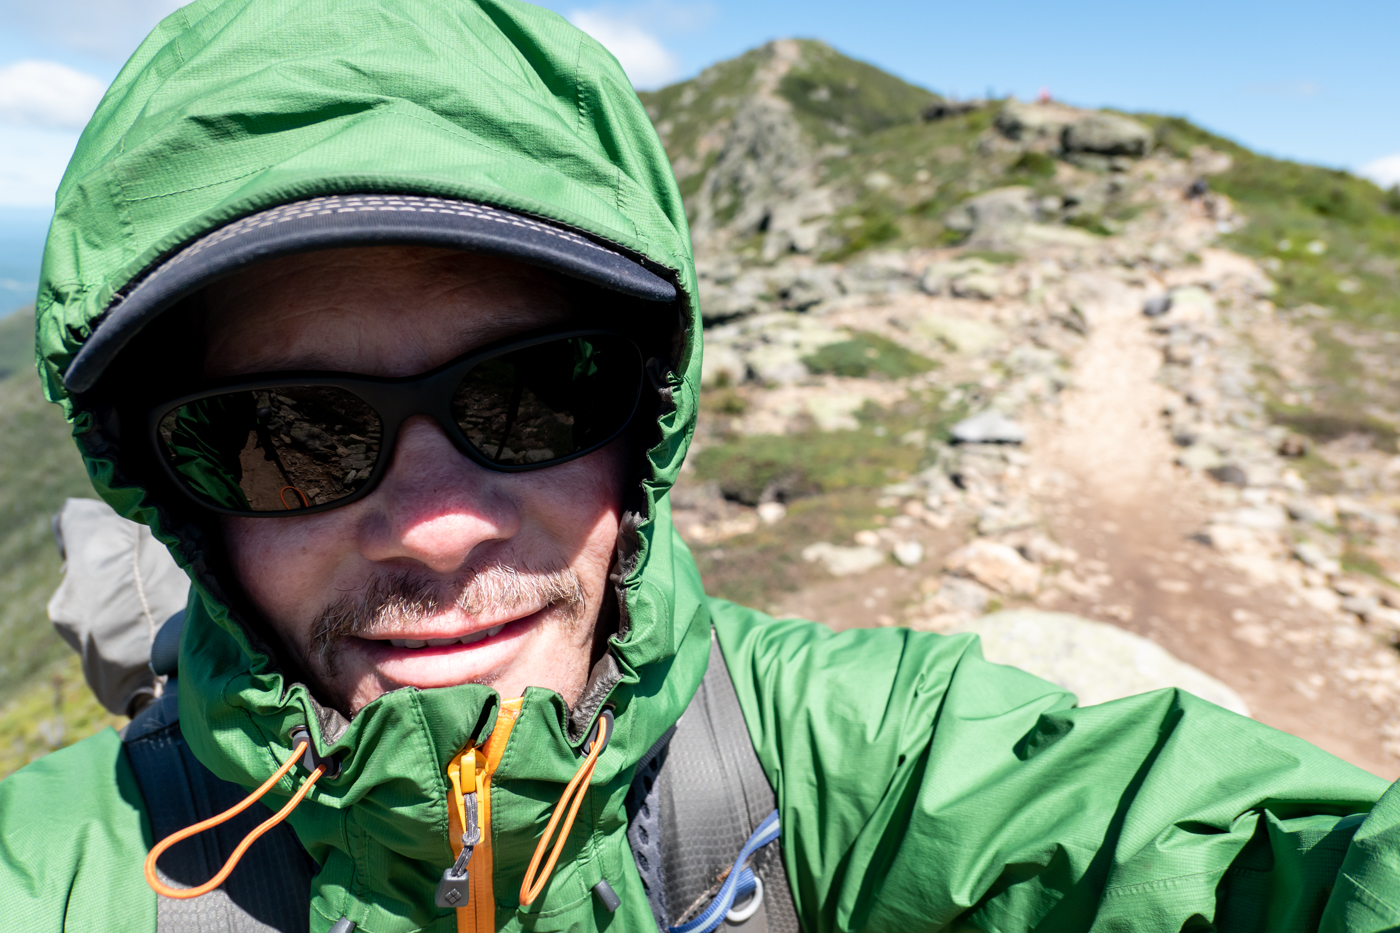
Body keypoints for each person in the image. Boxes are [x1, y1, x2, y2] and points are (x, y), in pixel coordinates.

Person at [4, 2, 1399, 931]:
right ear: (168, 490)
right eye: (285, 434)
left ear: (649, 413)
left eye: (535, 391)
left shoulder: (842, 761)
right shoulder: (61, 871)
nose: (433, 527)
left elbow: (1257, 861)